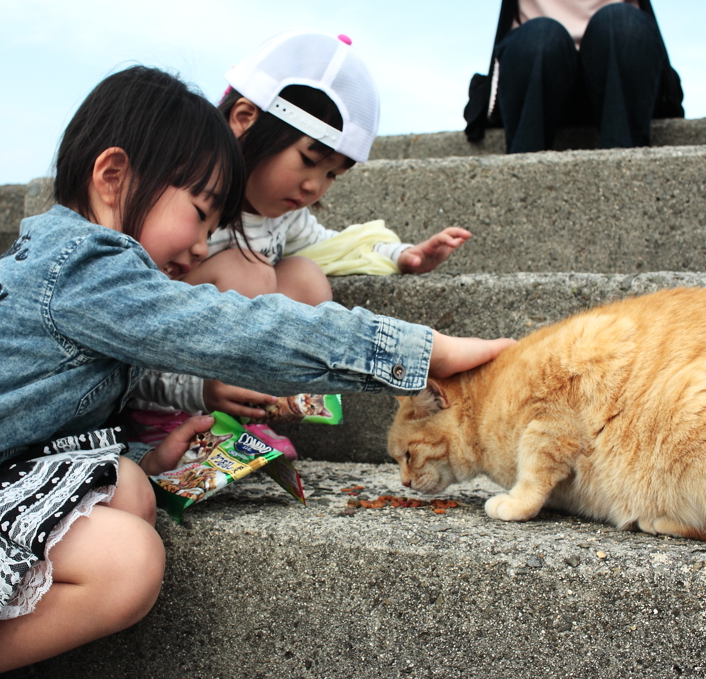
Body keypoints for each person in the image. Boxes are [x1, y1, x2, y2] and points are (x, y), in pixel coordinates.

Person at [0, 65, 514, 679]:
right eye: (200, 211)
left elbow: (44, 407)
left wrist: (146, 457)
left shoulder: (60, 266)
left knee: (124, 484)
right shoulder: (87, 268)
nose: (204, 245)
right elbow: (237, 327)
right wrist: (419, 353)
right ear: (113, 176)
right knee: (128, 563)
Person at [129, 30, 473, 438]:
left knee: (307, 276)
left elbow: (336, 247)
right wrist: (193, 387)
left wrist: (401, 255)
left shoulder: (284, 217)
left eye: (331, 174)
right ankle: (194, 412)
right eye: (308, 160)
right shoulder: (180, 199)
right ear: (244, 120)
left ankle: (245, 413)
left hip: (220, 369)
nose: (315, 186)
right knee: (252, 272)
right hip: (163, 371)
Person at [463, 0, 684, 153]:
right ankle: (524, 185)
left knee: (621, 24)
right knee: (539, 37)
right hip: (536, 78)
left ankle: (622, 177)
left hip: (622, 81)